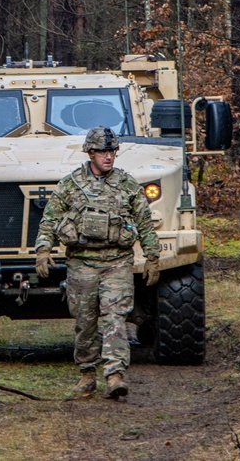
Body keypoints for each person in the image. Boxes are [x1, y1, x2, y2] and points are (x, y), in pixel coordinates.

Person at [34, 126, 160, 400]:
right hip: (81, 264)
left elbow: (145, 223)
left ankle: (115, 376)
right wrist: (43, 250)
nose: (109, 157)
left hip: (117, 262)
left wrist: (152, 256)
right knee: (85, 321)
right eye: (103, 152)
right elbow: (50, 219)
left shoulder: (127, 184)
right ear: (90, 153)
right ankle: (87, 374)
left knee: (116, 319)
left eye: (112, 151)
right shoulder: (71, 184)